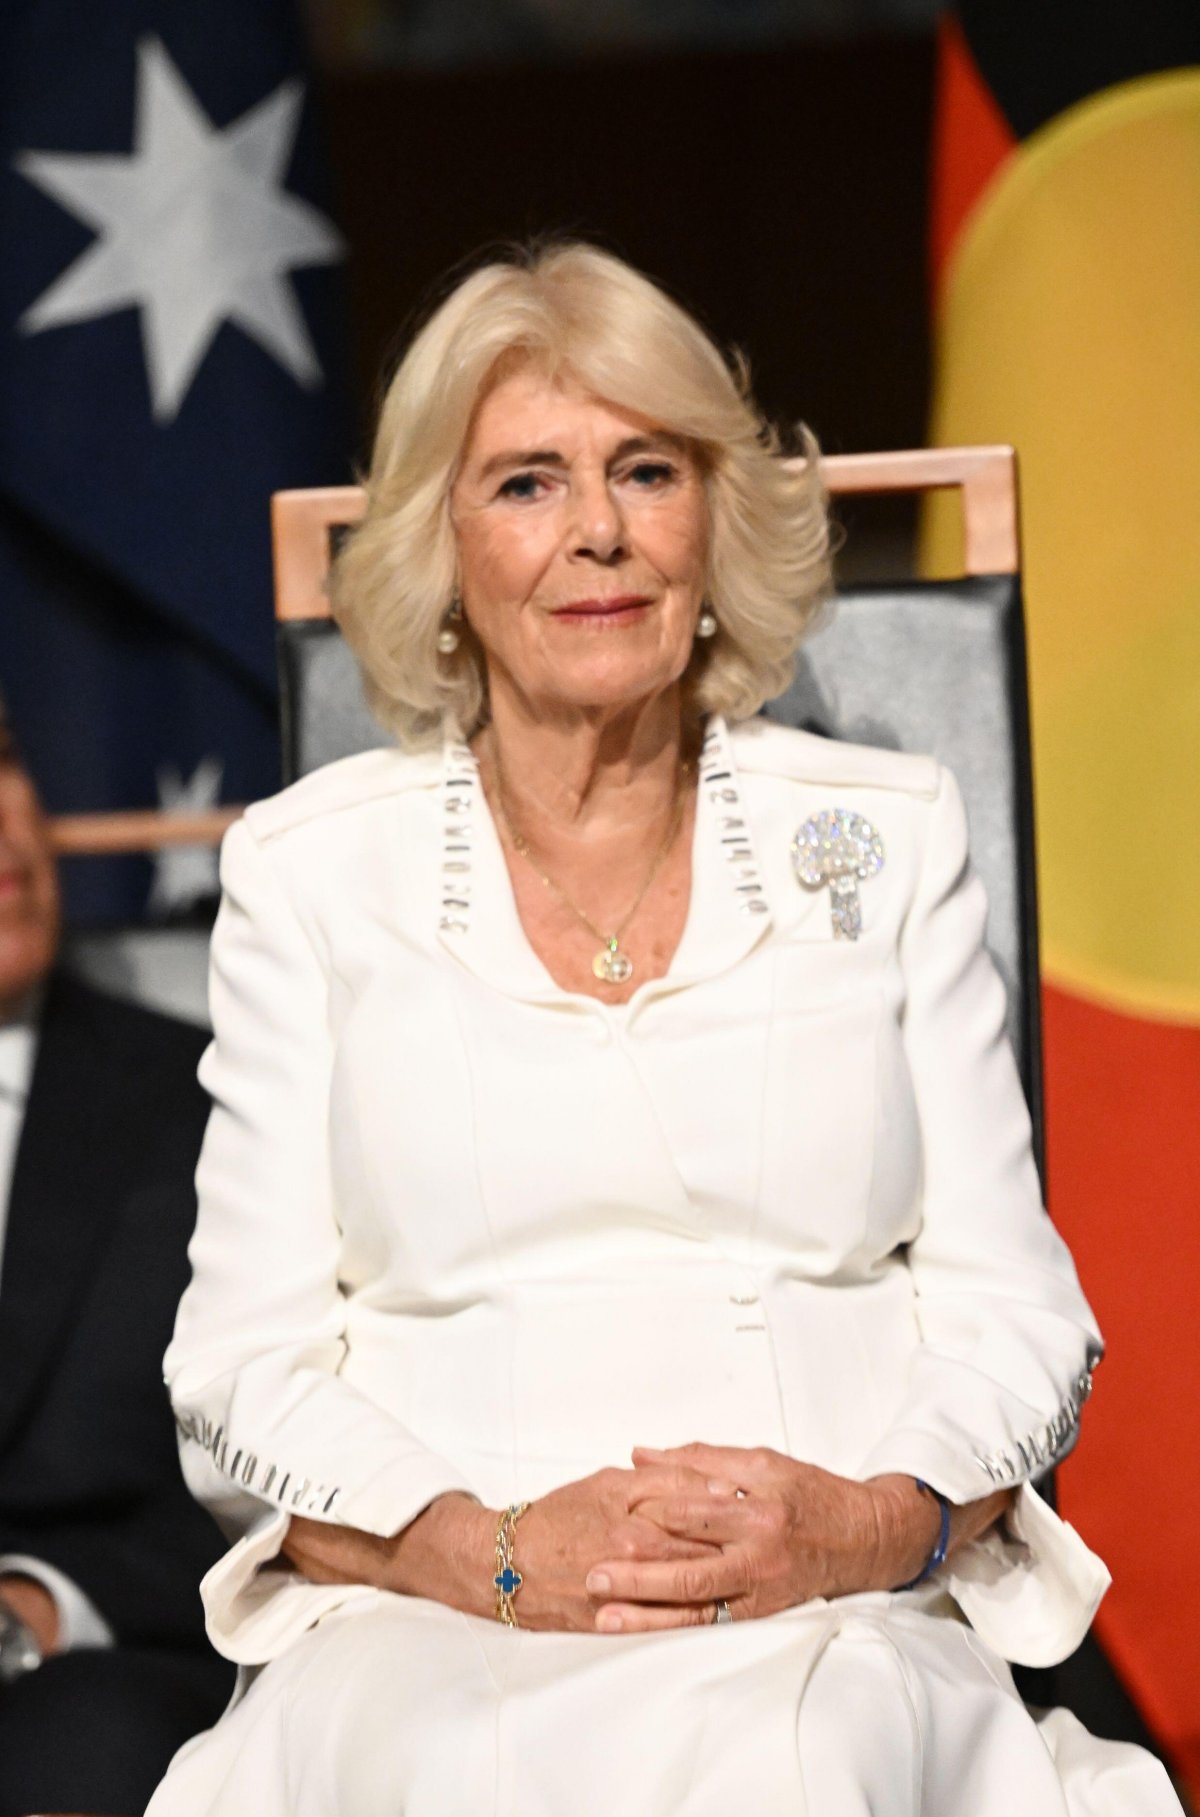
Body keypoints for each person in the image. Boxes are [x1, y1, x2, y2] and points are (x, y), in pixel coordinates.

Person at [147, 242, 1180, 1814]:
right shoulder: (309, 872)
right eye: (526, 484)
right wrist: (485, 1552)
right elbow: (235, 1367)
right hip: (438, 1612)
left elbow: (1022, 1318)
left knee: (808, 1762)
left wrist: (861, 1521)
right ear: (442, 544)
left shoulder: (889, 834)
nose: (600, 533)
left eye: (646, 469)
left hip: (831, 1609)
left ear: (716, 518)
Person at [0, 695, 234, 1814]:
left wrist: (36, 1604)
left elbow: (262, 1470)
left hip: (102, 1661)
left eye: (4, 761)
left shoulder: (205, 1098)